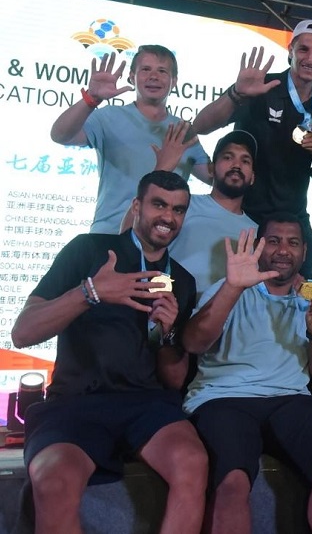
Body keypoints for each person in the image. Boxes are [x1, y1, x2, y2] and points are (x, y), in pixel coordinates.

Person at [11, 170, 207, 533]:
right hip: (74, 402)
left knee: (193, 462)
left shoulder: (182, 280)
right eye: (158, 205)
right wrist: (90, 293)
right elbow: (22, 333)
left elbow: (175, 379)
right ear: (137, 206)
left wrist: (167, 335)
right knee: (53, 481)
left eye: (178, 210)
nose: (168, 217)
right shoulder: (88, 250)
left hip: (146, 405)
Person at [181, 216, 312, 534]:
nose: (283, 250)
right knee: (232, 481)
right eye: (274, 240)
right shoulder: (227, 287)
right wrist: (233, 288)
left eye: (292, 242)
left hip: (291, 400)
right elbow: (193, 342)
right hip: (223, 398)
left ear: (304, 252)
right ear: (260, 247)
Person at [190, 20, 312, 279]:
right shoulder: (261, 85)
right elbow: (201, 126)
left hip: (292, 219)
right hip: (244, 213)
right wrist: (237, 93)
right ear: (290, 49)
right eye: (303, 50)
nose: (310, 59)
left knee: (295, 298)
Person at [51, 47, 212, 233]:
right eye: (145, 69)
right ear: (131, 77)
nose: (153, 76)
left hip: (163, 242)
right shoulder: (108, 117)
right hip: (110, 235)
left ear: (174, 81)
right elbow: (60, 135)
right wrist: (91, 98)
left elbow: (214, 178)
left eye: (162, 71)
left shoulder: (183, 131)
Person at [164, 130, 259, 298]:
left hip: (224, 320)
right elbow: (135, 235)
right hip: (169, 312)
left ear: (252, 177)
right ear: (211, 168)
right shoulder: (184, 205)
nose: (236, 165)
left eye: (245, 161)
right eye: (228, 157)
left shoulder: (256, 232)